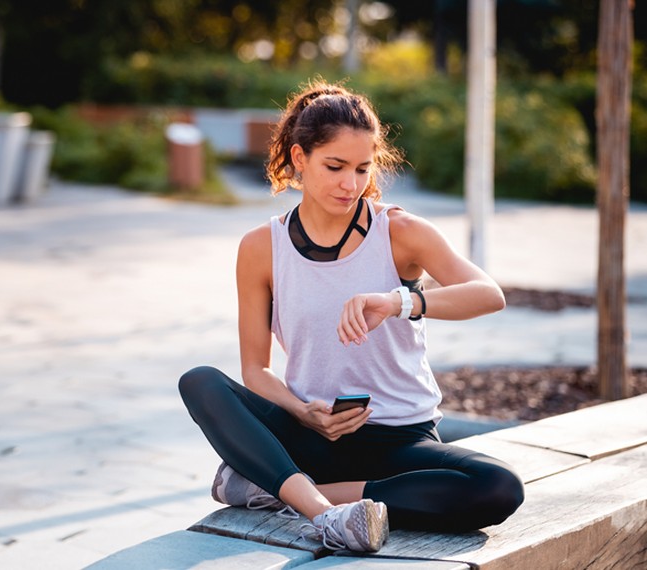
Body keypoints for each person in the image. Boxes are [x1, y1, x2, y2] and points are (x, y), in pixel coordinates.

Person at [178, 80, 524, 553]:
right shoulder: (261, 248)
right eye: (335, 166)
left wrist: (398, 302)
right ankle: (326, 516)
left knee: (499, 487)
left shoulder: (399, 231)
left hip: (402, 440)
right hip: (314, 433)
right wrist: (302, 411)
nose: (351, 184)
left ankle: (277, 490)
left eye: (363, 169)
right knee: (200, 382)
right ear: (299, 159)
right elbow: (254, 370)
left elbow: (488, 294)